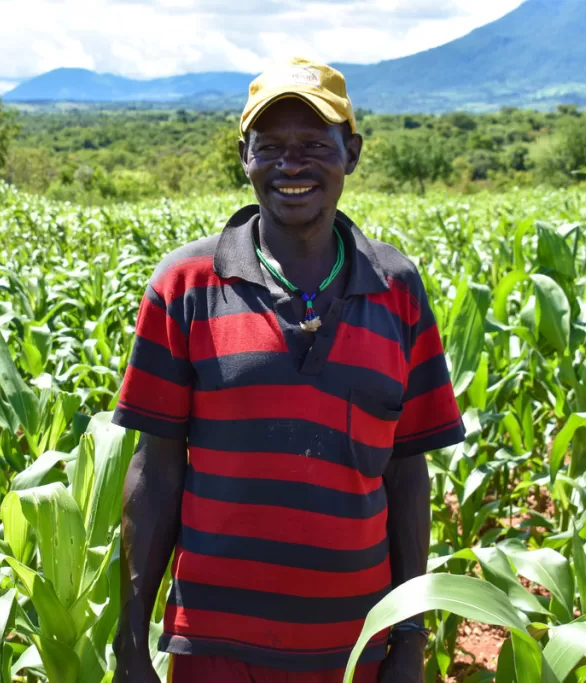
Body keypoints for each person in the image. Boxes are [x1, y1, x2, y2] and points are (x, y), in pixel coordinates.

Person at [110, 58, 465, 683]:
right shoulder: (185, 286)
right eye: (269, 146)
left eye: (312, 145)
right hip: (214, 644)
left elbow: (409, 476)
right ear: (243, 157)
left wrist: (409, 637)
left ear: (350, 154)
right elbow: (155, 470)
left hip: (359, 645)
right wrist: (130, 638)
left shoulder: (398, 289)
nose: (290, 165)